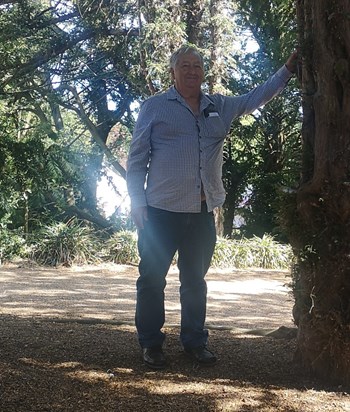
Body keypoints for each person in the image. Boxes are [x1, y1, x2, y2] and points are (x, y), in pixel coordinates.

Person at [126, 45, 298, 369]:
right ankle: (150, 344)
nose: (192, 71)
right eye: (185, 66)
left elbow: (257, 96)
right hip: (160, 212)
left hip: (202, 214)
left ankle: (194, 342)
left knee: (195, 282)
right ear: (173, 72)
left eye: (197, 66)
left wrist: (287, 69)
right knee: (151, 280)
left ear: (203, 72)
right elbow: (136, 161)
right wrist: (136, 202)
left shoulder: (217, 105)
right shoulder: (154, 107)